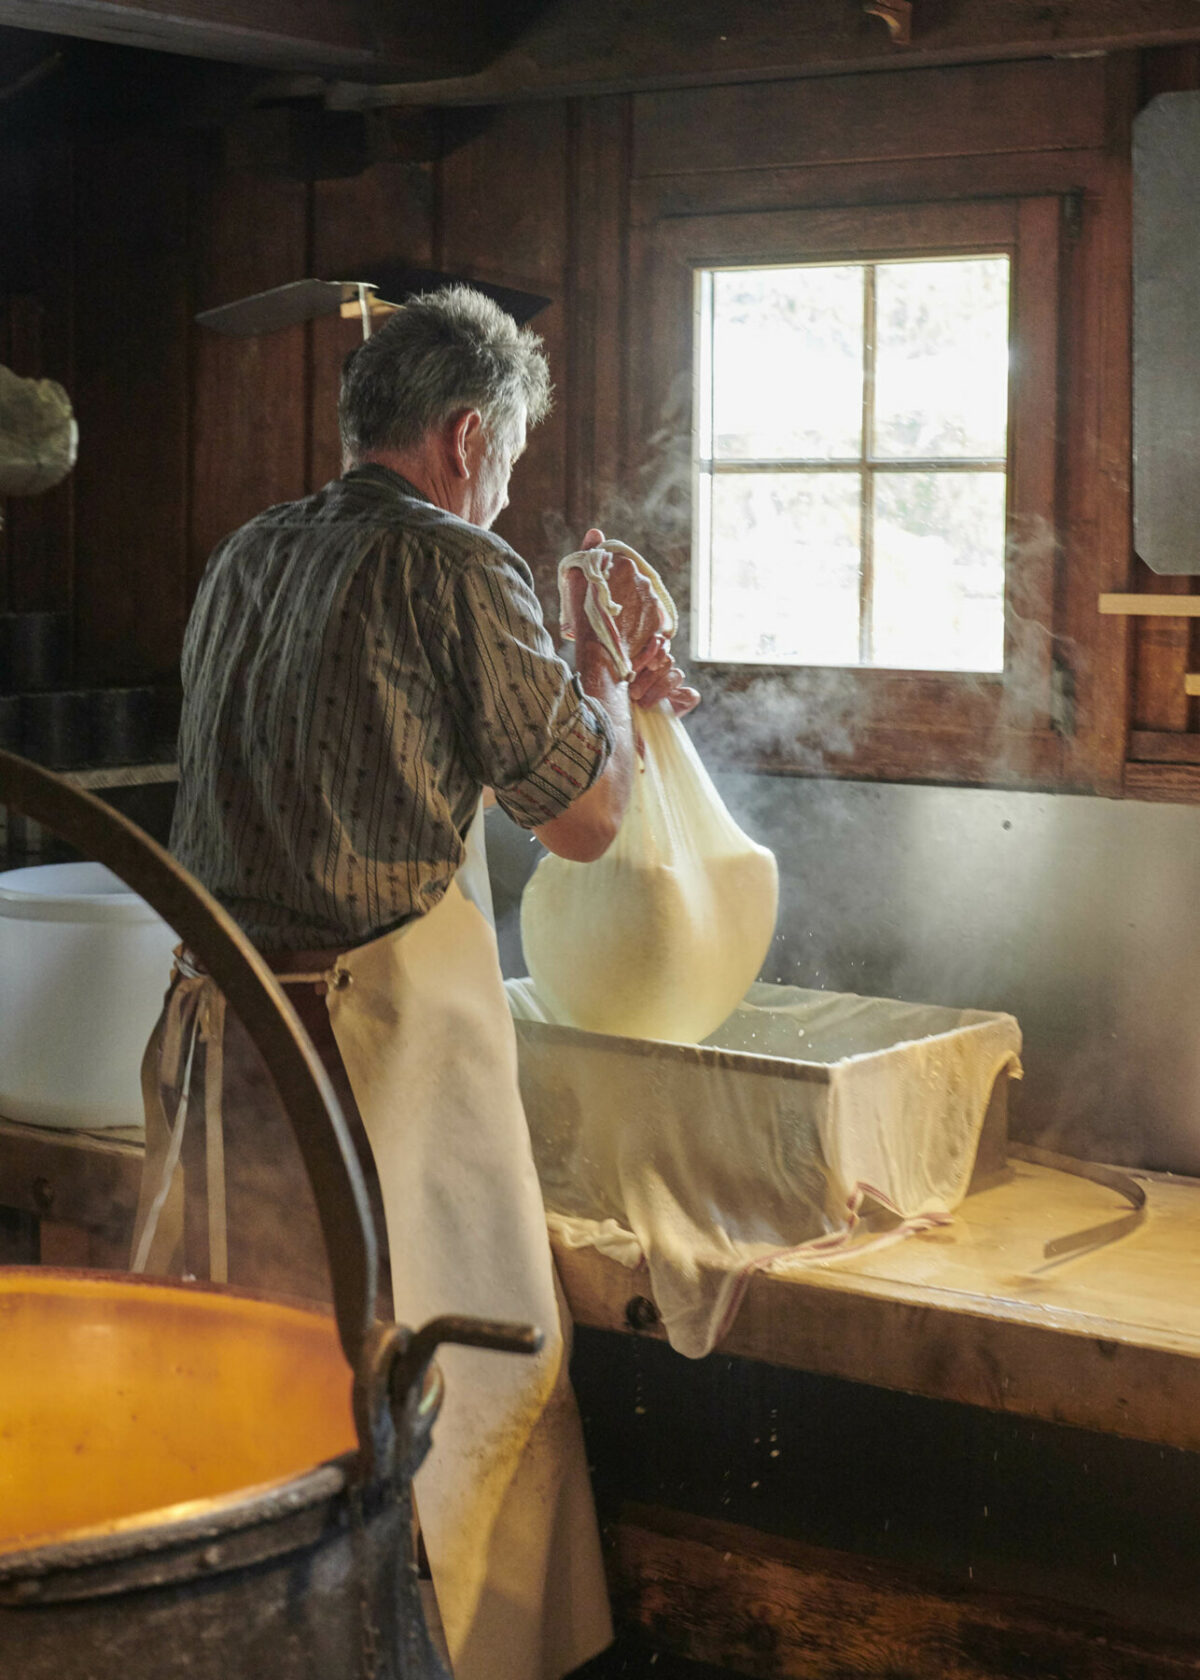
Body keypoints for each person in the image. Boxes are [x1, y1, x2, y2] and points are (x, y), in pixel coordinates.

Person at [130, 285, 698, 1680]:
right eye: (505, 457)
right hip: (369, 1073)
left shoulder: (249, 550)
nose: (503, 489)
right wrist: (604, 673)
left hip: (223, 1046)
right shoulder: (453, 563)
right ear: (462, 437)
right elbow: (585, 819)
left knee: (251, 1396)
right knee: (423, 1401)